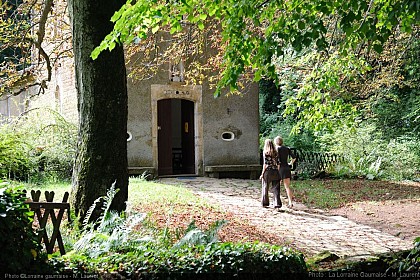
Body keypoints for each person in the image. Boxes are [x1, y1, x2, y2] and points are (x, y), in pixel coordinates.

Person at [274, 136, 297, 208]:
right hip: (286, 168)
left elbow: (276, 160)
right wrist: (290, 163)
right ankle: (290, 202)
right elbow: (294, 157)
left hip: (279, 168)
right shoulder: (287, 149)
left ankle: (277, 201)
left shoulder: (276, 149)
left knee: (277, 186)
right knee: (287, 187)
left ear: (275, 142)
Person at [259, 139, 281, 208]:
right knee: (276, 188)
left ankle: (265, 203)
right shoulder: (276, 152)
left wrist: (262, 174)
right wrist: (278, 171)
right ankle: (277, 203)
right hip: (275, 171)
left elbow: (265, 164)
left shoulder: (265, 152)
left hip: (268, 171)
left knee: (265, 187)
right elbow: (278, 163)